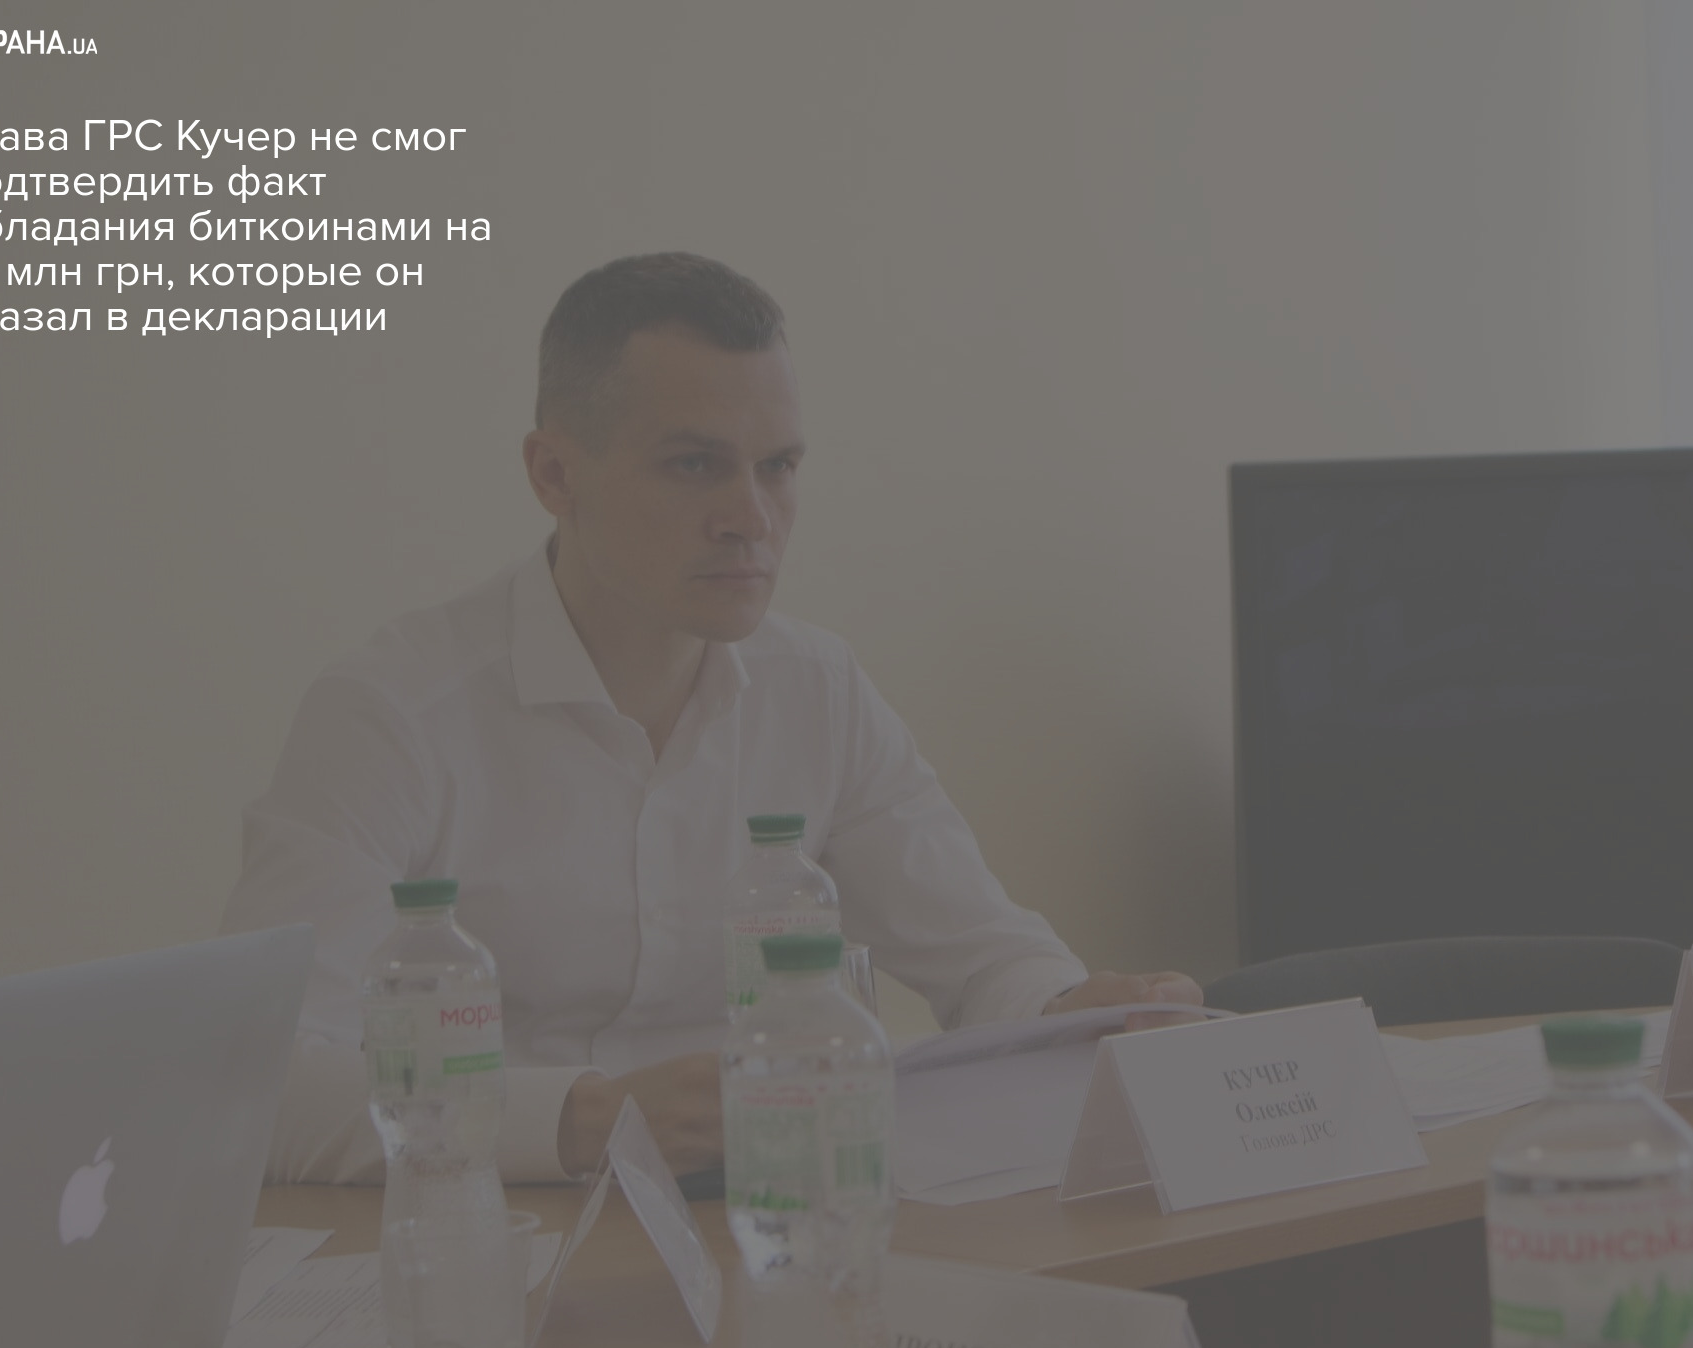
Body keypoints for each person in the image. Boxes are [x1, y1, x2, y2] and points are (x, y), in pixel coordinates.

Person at [223, 252, 1203, 1185]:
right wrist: (584, 1119)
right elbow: (259, 1084)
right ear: (555, 476)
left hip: (770, 1216)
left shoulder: (815, 689)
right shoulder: (392, 715)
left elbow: (985, 957)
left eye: (778, 467)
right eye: (695, 466)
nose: (752, 518)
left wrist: (1078, 1008)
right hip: (492, 1236)